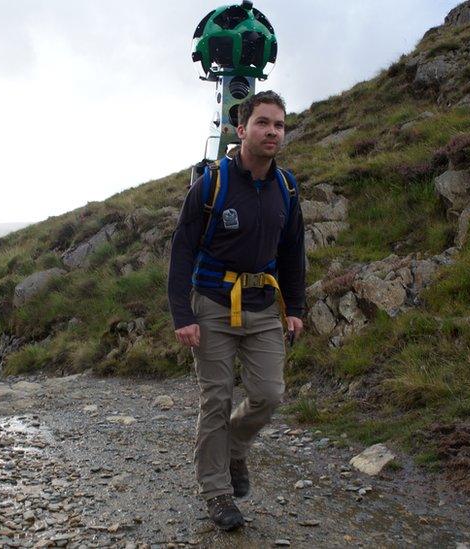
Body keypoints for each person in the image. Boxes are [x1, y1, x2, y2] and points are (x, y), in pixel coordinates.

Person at [167, 90, 306, 531]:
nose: (272, 131)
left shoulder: (286, 188)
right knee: (217, 400)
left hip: (264, 305)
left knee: (269, 395)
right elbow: (182, 249)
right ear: (241, 129)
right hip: (211, 305)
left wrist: (296, 307)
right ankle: (217, 494)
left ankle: (234, 450)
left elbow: (292, 251)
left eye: (279, 125)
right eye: (263, 123)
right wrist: (182, 316)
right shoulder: (212, 184)